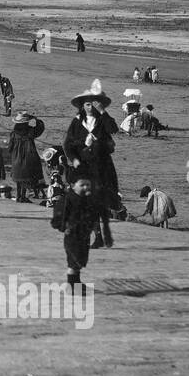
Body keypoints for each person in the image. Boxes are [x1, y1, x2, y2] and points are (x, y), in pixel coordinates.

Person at [63, 80, 120, 249]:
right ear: (82, 105)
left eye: (93, 104)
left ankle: (100, 235)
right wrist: (74, 158)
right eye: (87, 104)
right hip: (84, 167)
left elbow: (113, 129)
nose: (90, 107)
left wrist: (103, 111)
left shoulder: (102, 120)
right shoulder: (76, 122)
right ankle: (98, 235)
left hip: (102, 166)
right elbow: (68, 145)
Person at [54, 176, 97, 294]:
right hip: (72, 236)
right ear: (73, 185)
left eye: (88, 185)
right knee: (74, 261)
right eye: (82, 185)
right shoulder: (67, 199)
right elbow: (58, 218)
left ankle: (76, 282)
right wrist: (65, 227)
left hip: (83, 235)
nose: (86, 187)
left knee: (80, 260)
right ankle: (71, 286)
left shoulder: (86, 199)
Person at [7, 112, 45, 203]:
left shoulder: (13, 133)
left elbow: (10, 147)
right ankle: (23, 197)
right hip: (29, 155)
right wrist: (36, 119)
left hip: (17, 156)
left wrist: (12, 154)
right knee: (26, 176)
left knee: (19, 177)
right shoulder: (30, 131)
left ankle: (18, 196)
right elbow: (40, 128)